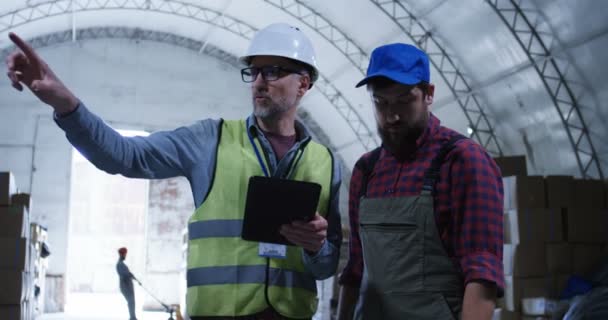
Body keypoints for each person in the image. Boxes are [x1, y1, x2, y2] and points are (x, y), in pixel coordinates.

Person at [5, 23, 342, 320]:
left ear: (303, 84)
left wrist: (316, 247)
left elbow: (327, 266)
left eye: (272, 71)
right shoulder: (211, 139)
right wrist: (65, 104)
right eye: (253, 72)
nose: (258, 83)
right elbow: (125, 155)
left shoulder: (326, 162)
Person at [336, 43, 504, 320]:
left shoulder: (462, 161)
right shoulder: (366, 170)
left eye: (404, 100)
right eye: (381, 102)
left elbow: (482, 276)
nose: (392, 115)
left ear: (428, 94)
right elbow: (355, 270)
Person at [117, 247, 138, 320]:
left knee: (131, 302)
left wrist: (134, 278)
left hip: (128, 286)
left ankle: (133, 317)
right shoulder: (119, 264)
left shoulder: (122, 264)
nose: (126, 256)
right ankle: (132, 317)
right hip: (125, 286)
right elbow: (125, 274)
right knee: (131, 301)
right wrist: (131, 276)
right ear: (122, 254)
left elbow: (128, 273)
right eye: (125, 254)